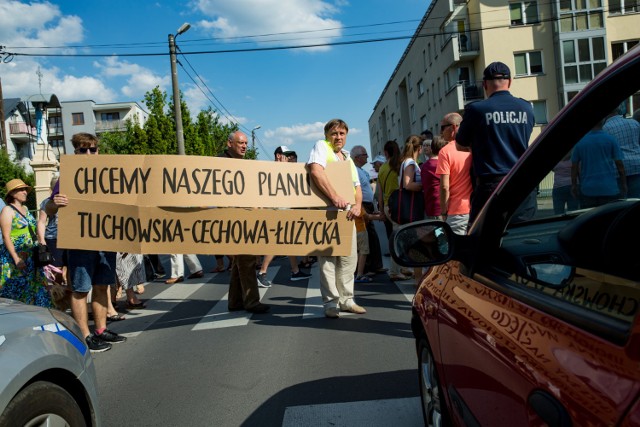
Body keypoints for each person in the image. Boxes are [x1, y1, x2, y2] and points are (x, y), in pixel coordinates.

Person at [45, 132, 126, 352]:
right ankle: (84, 336)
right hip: (80, 241)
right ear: (76, 152)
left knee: (102, 286)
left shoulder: (110, 176)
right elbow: (48, 208)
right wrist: (56, 202)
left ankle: (101, 330)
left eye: (93, 149)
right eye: (83, 150)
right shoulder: (68, 177)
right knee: (80, 289)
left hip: (106, 241)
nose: (89, 153)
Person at [456, 61, 536, 226]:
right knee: (523, 234)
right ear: (510, 81)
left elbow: (459, 144)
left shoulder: (476, 110)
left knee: (482, 239)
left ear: (485, 84)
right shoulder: (527, 108)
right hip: (523, 183)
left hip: (491, 187)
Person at [307, 118, 366, 318]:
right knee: (328, 260)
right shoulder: (321, 147)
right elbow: (316, 171)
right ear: (327, 135)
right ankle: (331, 303)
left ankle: (347, 300)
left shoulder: (348, 159)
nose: (338, 137)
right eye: (334, 133)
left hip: (348, 215)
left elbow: (356, 187)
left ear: (346, 135)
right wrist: (335, 197)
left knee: (349, 260)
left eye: (341, 134)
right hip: (328, 213)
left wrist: (358, 205)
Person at [220, 131, 270, 314]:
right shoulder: (218, 164)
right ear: (229, 143)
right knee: (247, 260)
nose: (244, 146)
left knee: (239, 262)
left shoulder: (243, 165)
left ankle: (234, 301)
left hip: (244, 217)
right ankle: (252, 301)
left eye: (246, 143)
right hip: (231, 220)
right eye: (240, 143)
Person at [256, 145, 312, 287]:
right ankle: (262, 272)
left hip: (285, 208)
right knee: (278, 242)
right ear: (279, 156)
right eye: (286, 155)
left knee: (289, 241)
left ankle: (295, 271)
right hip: (277, 210)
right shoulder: (272, 170)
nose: (289, 158)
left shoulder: (285, 170)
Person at [0, 179, 51, 308]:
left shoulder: (26, 209)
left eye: (25, 190)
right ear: (12, 193)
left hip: (30, 255)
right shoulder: (7, 210)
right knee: (16, 288)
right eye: (21, 190)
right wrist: (16, 258)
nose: (25, 192)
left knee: (36, 287)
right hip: (15, 256)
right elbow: (6, 237)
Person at [571, 119, 627, 208]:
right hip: (609, 189)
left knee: (589, 219)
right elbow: (619, 165)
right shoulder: (611, 139)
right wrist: (624, 184)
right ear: (602, 123)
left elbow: (574, 167)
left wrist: (574, 185)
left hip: (588, 190)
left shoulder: (580, 142)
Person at [377, 140, 411, 281]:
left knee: (398, 236)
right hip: (399, 205)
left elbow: (379, 192)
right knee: (400, 239)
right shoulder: (399, 166)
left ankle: (403, 267)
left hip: (387, 205)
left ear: (386, 153)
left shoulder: (382, 168)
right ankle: (395, 271)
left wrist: (381, 210)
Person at [350, 145, 385, 276]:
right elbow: (356, 191)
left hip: (367, 205)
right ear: (358, 157)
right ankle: (367, 267)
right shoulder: (354, 171)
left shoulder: (360, 170)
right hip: (363, 205)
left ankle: (373, 266)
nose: (367, 157)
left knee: (371, 237)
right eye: (365, 155)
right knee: (367, 238)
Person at [437, 112, 472, 235]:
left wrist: (443, 211)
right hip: (477, 208)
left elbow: (444, 186)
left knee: (456, 251)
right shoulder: (472, 146)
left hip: (456, 211)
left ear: (453, 127)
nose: (441, 132)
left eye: (442, 128)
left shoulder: (445, 152)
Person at [398, 135, 425, 284]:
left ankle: (418, 277)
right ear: (419, 148)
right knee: (417, 243)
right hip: (413, 207)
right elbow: (407, 185)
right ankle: (418, 279)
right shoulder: (410, 163)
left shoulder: (408, 162)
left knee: (416, 242)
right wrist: (425, 185)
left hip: (412, 207)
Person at [603, 106, 640, 198]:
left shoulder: (605, 129)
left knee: (621, 203)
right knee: (636, 200)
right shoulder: (634, 123)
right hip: (637, 165)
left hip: (617, 169)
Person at [421, 135, 447, 219]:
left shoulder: (425, 166)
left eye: (427, 145)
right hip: (441, 207)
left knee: (438, 231)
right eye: (423, 146)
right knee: (442, 231)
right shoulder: (442, 164)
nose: (425, 148)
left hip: (432, 207)